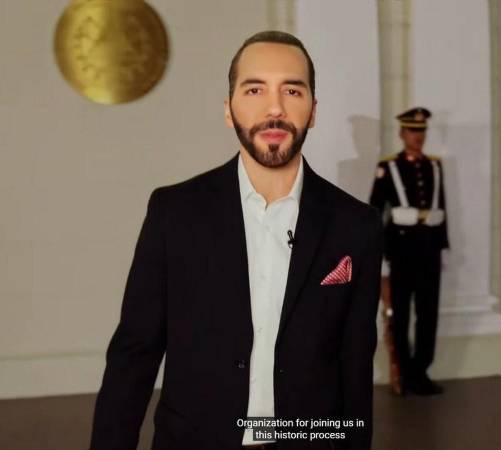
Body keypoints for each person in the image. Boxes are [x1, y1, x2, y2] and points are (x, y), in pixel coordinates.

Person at [89, 31, 383, 450]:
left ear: (313, 111)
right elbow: (133, 355)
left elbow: (355, 368)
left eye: (292, 90)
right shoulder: (174, 213)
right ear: (229, 110)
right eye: (255, 89)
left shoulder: (358, 225)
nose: (275, 108)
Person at [369, 107, 449, 396]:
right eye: (413, 131)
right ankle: (402, 371)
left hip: (429, 250)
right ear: (402, 133)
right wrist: (377, 250)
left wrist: (442, 243)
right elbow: (375, 210)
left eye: (422, 131)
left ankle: (421, 371)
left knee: (429, 313)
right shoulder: (389, 167)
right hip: (401, 250)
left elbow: (442, 206)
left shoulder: (434, 165)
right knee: (400, 314)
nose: (419, 136)